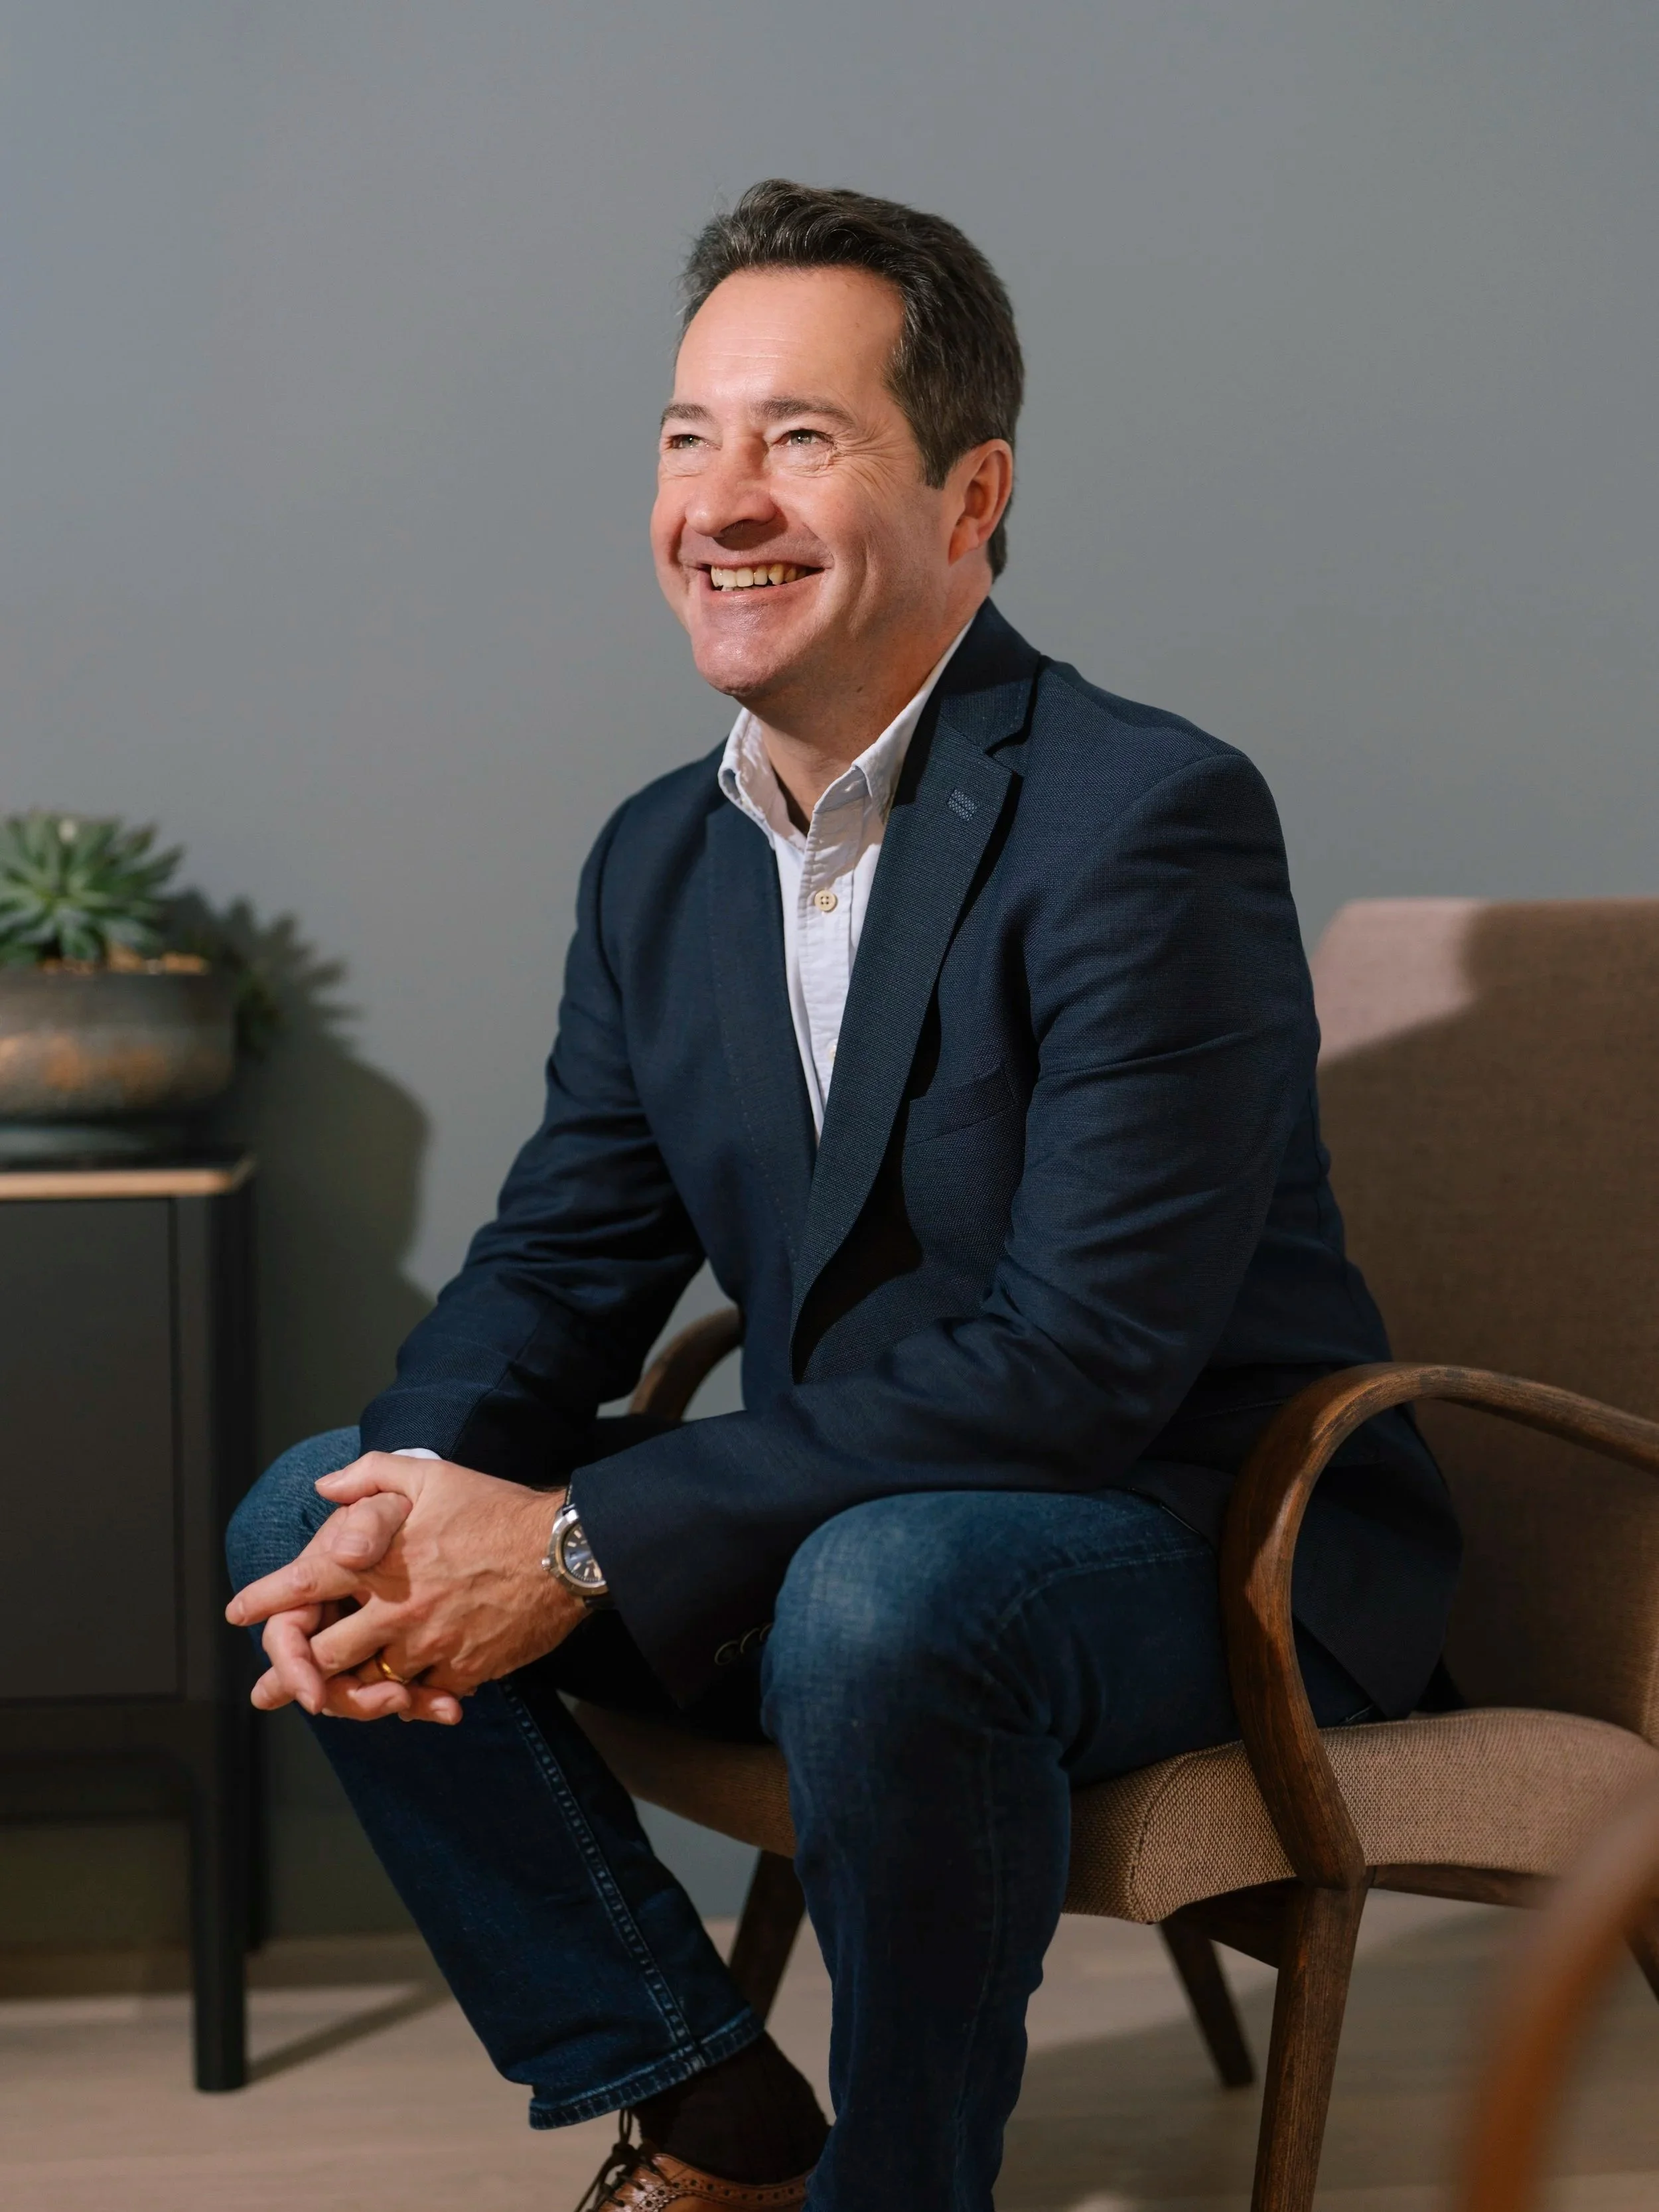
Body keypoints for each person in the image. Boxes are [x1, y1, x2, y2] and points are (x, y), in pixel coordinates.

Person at [226, 179, 1460, 2212]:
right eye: (688, 436)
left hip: (1181, 1531)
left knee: (891, 1594)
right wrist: (424, 1493)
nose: (723, 499)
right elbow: (561, 1256)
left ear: (970, 497)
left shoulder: (1142, 817)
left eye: (801, 438)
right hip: (835, 1524)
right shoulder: (656, 856)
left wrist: (582, 1540)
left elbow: (1075, 1366)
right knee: (315, 1506)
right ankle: (712, 2110)